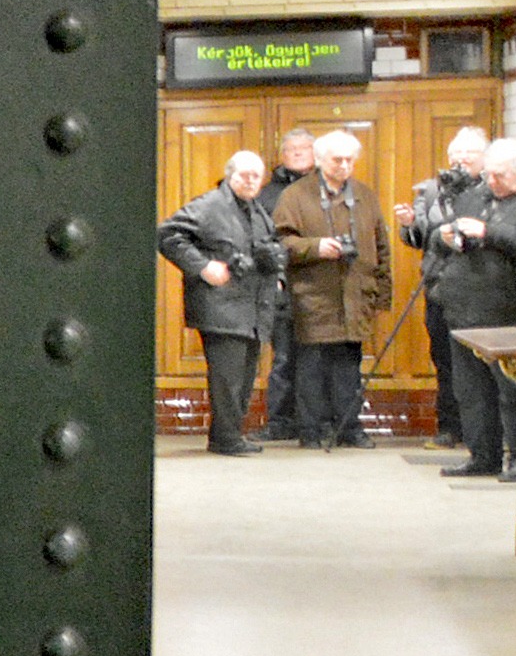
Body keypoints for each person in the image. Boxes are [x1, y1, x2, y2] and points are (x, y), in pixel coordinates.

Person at [269, 126, 391, 450]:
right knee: (310, 368)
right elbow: (279, 241)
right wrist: (315, 247)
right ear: (320, 160)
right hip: (312, 297)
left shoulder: (364, 195)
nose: (344, 166)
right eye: (338, 160)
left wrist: (382, 295)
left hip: (355, 295)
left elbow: (381, 246)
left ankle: (349, 428)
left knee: (349, 367)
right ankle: (310, 430)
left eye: (350, 160)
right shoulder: (295, 196)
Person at [158, 151, 286, 456]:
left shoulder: (257, 210)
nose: (251, 181)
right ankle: (226, 439)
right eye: (244, 175)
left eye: (256, 176)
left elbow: (270, 248)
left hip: (253, 307)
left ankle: (228, 435)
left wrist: (278, 275)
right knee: (227, 378)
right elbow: (167, 234)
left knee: (244, 376)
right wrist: (203, 266)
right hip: (221, 306)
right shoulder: (209, 205)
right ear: (230, 176)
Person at [433, 142, 516, 481]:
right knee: (470, 391)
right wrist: (444, 237)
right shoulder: (475, 197)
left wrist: (488, 232)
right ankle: (482, 456)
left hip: (506, 310)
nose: (491, 182)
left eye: (499, 175)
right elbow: (440, 236)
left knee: (511, 390)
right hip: (462, 307)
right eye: (488, 174)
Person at [404, 125, 491, 445]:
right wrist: (410, 225)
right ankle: (450, 427)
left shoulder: (491, 191)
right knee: (444, 359)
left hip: (479, 288)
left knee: (478, 364)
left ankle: (483, 432)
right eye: (456, 152)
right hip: (439, 285)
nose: (461, 158)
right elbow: (419, 238)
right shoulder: (432, 190)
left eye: (470, 152)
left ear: (485, 158)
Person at [260, 128, 321, 441]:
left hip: (321, 287)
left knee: (319, 358)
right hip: (281, 288)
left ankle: (318, 423)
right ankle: (280, 422)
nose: (297, 152)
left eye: (304, 147)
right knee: (283, 358)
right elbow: (262, 240)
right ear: (282, 155)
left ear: (316, 153)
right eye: (291, 148)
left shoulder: (329, 189)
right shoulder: (266, 194)